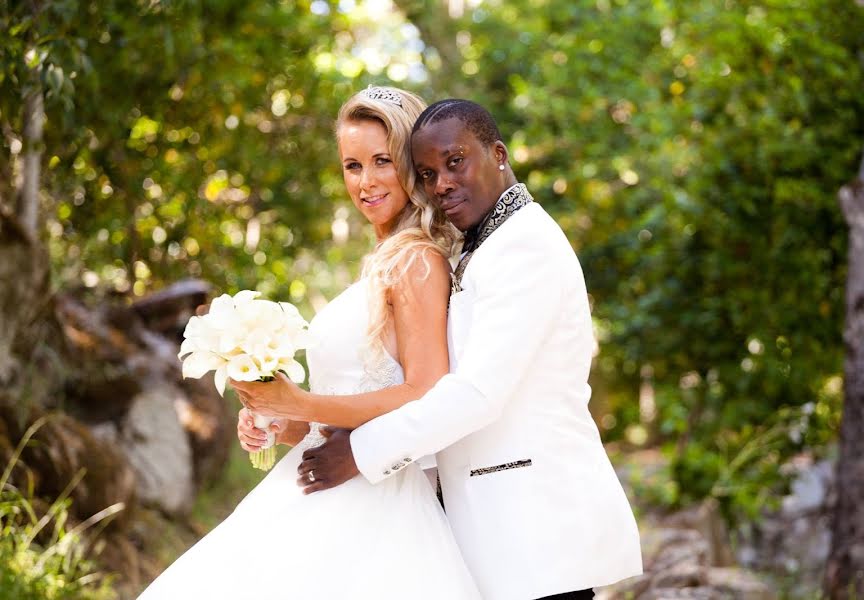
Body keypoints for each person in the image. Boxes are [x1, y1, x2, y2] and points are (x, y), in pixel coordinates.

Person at [241, 99, 644, 600]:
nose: (442, 184)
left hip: (536, 521)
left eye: (456, 162)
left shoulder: (525, 246)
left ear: (498, 153)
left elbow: (475, 394)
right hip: (481, 523)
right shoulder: (478, 245)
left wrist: (360, 452)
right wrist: (290, 420)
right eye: (429, 172)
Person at [137, 87, 482, 600]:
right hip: (318, 481)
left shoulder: (417, 262)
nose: (365, 183)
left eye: (381, 161)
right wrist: (284, 422)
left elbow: (423, 391)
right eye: (352, 166)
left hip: (372, 504)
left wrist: (298, 402)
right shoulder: (381, 260)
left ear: (410, 163)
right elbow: (348, 402)